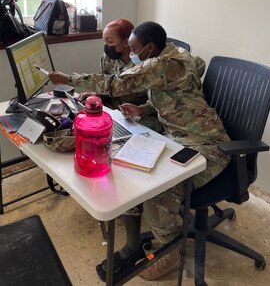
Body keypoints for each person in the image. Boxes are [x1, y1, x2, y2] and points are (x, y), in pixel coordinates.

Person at [51, 21, 231, 280]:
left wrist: (69, 79)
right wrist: (144, 109)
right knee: (131, 169)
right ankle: (137, 240)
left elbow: (114, 84)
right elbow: (176, 94)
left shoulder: (162, 64)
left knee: (159, 187)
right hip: (176, 136)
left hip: (207, 145)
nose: (131, 54)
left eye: (134, 48)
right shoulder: (179, 56)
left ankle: (169, 252)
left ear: (149, 48)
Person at [49, 18, 162, 132]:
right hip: (113, 110)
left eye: (110, 42)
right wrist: (96, 94)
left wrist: (68, 79)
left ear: (126, 42)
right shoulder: (108, 58)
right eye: (104, 41)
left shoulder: (144, 62)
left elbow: (113, 84)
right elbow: (103, 82)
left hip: (136, 112)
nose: (107, 46)